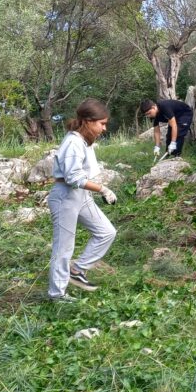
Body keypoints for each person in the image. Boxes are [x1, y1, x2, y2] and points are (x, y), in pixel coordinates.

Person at [47, 99, 118, 299]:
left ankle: (77, 270)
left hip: (81, 196)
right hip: (65, 197)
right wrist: (103, 189)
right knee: (63, 247)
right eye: (101, 123)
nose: (104, 128)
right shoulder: (73, 142)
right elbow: (73, 177)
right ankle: (57, 294)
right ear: (88, 121)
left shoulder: (84, 141)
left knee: (106, 232)